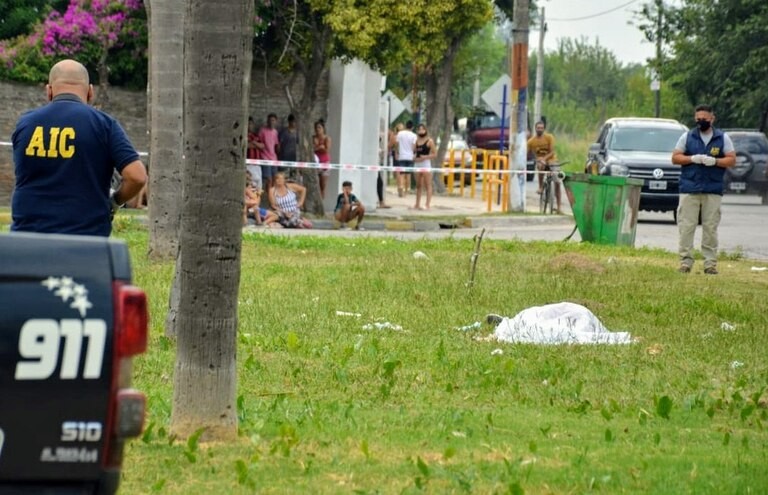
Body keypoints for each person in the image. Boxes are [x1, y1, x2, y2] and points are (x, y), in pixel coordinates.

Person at [11, 59, 146, 237]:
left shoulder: (25, 124)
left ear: (49, 91)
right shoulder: (105, 125)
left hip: (27, 238)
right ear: (90, 92)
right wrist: (114, 202)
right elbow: (137, 176)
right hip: (87, 240)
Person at [671, 104, 736, 275]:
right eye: (698, 119)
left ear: (712, 119)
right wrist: (691, 158)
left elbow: (731, 160)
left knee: (710, 227)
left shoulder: (722, 138)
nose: (701, 122)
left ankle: (710, 264)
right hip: (689, 187)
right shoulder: (687, 136)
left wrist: (716, 161)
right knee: (686, 226)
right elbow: (675, 157)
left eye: (704, 119)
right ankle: (685, 262)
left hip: (712, 188)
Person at [527, 121, 561, 212]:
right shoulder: (531, 141)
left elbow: (552, 152)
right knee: (540, 165)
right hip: (540, 162)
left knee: (557, 182)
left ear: (544, 129)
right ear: (535, 128)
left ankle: (559, 207)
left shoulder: (549, 137)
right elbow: (527, 153)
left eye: (541, 128)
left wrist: (544, 159)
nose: (540, 129)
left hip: (552, 160)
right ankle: (541, 186)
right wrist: (536, 159)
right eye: (538, 128)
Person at [413, 123, 436, 210]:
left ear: (425, 130)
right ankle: (417, 204)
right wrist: (414, 157)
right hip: (417, 164)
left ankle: (427, 204)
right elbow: (414, 152)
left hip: (426, 164)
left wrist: (425, 157)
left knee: (428, 184)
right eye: (419, 129)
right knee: (418, 185)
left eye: (423, 129)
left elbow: (434, 154)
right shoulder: (416, 141)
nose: (421, 131)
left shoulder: (430, 141)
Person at [256, 113, 280, 196]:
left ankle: (272, 196)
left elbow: (276, 144)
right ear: (267, 121)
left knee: (274, 179)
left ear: (276, 121)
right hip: (265, 157)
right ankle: (269, 198)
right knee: (269, 179)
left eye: (273, 120)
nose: (271, 122)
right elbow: (258, 142)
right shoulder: (262, 131)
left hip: (274, 158)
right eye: (270, 120)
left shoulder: (275, 132)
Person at [396, 121, 417, 197]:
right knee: (408, 175)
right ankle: (406, 190)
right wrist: (414, 154)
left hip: (402, 156)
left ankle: (401, 186)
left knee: (401, 173)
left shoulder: (400, 133)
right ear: (412, 127)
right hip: (410, 157)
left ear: (405, 126)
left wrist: (397, 152)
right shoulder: (414, 135)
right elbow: (414, 147)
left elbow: (397, 144)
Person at [313, 120, 332, 198]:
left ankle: (321, 201)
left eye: (319, 127)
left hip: (324, 163)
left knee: (322, 186)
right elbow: (311, 149)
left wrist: (319, 147)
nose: (318, 129)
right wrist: (319, 147)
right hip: (315, 163)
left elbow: (327, 150)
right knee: (315, 185)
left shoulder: (327, 138)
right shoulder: (313, 138)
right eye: (316, 128)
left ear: (323, 128)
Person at [246, 116, 262, 190]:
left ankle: (257, 197)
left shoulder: (256, 136)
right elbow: (246, 146)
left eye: (251, 124)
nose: (250, 125)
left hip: (257, 164)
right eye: (248, 123)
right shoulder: (244, 135)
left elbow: (262, 146)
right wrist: (256, 145)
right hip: (248, 164)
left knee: (259, 185)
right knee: (251, 184)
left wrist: (253, 142)